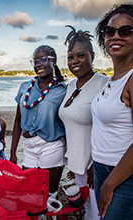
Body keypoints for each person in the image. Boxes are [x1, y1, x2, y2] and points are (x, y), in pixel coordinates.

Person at [59, 26, 108, 220]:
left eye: (80, 55)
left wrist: (96, 164)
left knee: (99, 214)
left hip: (94, 167)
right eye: (70, 57)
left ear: (92, 56)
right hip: (76, 164)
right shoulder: (70, 85)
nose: (74, 61)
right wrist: (71, 162)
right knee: (87, 211)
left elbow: (108, 127)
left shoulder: (103, 84)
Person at [91, 3, 133, 219]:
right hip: (101, 170)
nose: (116, 36)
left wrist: (109, 184)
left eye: (125, 31)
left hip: (122, 176)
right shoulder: (111, 81)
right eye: (110, 31)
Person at [10, 45, 67, 198]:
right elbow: (17, 120)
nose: (38, 64)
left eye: (43, 59)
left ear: (53, 61)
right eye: (35, 61)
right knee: (29, 192)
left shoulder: (62, 90)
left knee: (49, 195)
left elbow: (68, 122)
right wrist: (13, 152)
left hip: (51, 145)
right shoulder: (24, 88)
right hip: (28, 146)